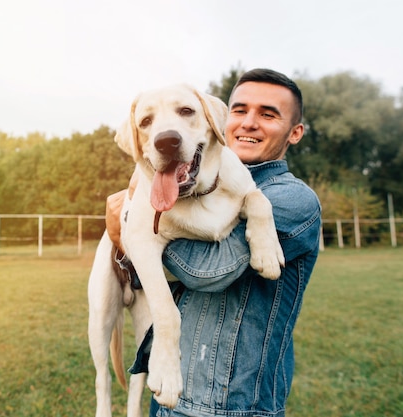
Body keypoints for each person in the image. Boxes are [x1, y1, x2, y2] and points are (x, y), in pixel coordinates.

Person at [105, 68, 322, 417]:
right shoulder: (190, 187)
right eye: (239, 110)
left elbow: (212, 271)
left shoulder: (293, 200)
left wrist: (131, 234)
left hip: (230, 406)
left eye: (268, 114)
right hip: (169, 391)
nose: (248, 123)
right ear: (220, 119)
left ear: (295, 133)